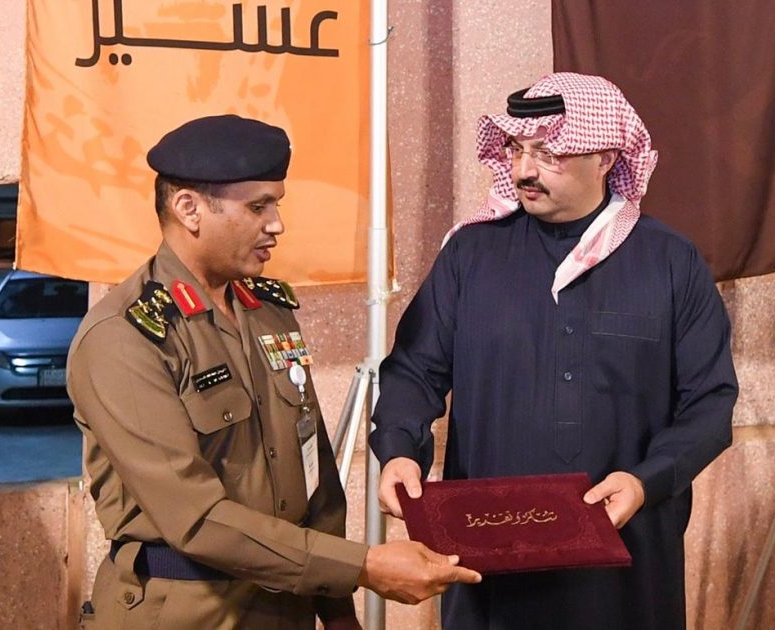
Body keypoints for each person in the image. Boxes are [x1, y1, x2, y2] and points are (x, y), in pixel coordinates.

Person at [68, 114, 480, 630]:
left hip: (287, 608)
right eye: (258, 206)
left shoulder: (267, 312)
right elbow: (195, 519)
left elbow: (315, 478)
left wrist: (338, 614)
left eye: (276, 205)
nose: (277, 224)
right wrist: (363, 568)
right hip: (187, 612)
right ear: (189, 209)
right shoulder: (124, 338)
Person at [370, 73, 738, 629]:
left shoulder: (670, 262)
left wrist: (646, 481)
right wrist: (399, 450)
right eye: (517, 150)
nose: (524, 170)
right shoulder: (471, 255)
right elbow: (413, 371)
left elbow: (709, 405)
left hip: (626, 558)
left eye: (547, 154)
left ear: (606, 157)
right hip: (491, 561)